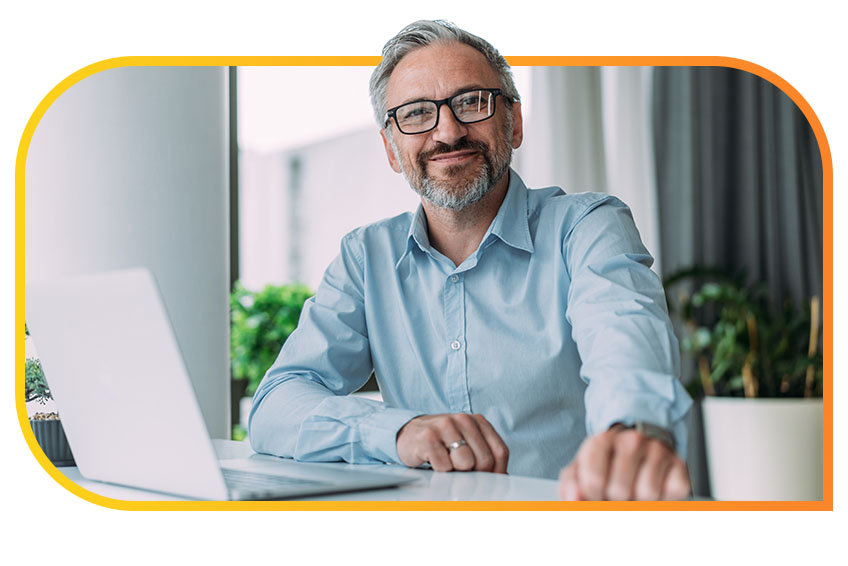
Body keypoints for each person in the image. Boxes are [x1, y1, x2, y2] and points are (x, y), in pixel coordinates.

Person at [249, 20, 693, 501]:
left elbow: (623, 342)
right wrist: (401, 432)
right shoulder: (364, 257)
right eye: (417, 113)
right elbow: (276, 405)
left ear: (514, 122)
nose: (448, 131)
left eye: (472, 102)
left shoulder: (586, 227)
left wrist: (631, 429)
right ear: (392, 149)